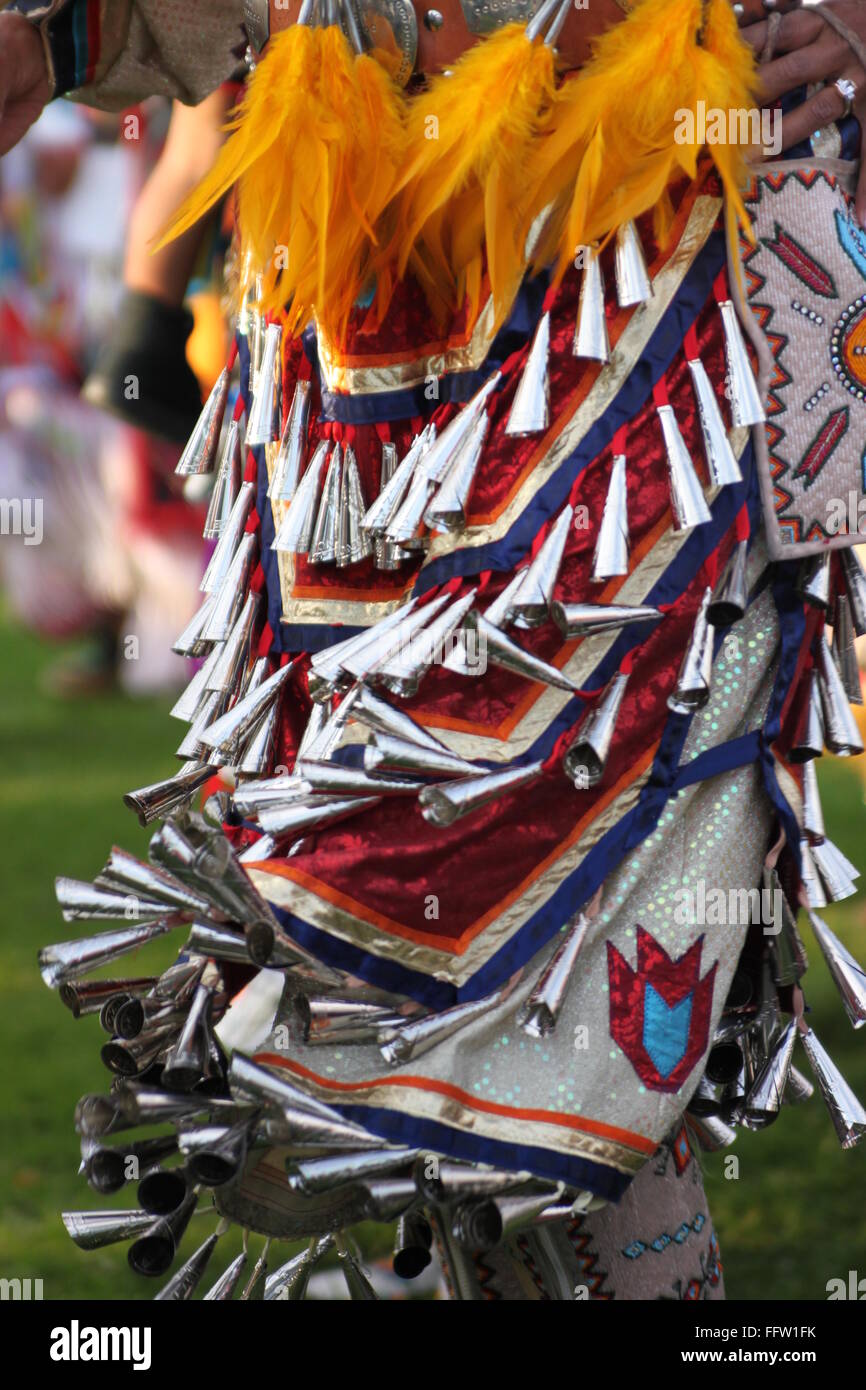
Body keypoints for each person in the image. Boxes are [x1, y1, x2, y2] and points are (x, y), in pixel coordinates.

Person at [6, 0, 866, 1301]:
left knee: (541, 933)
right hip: (362, 320)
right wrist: (59, 35)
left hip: (655, 266)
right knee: (466, 1007)